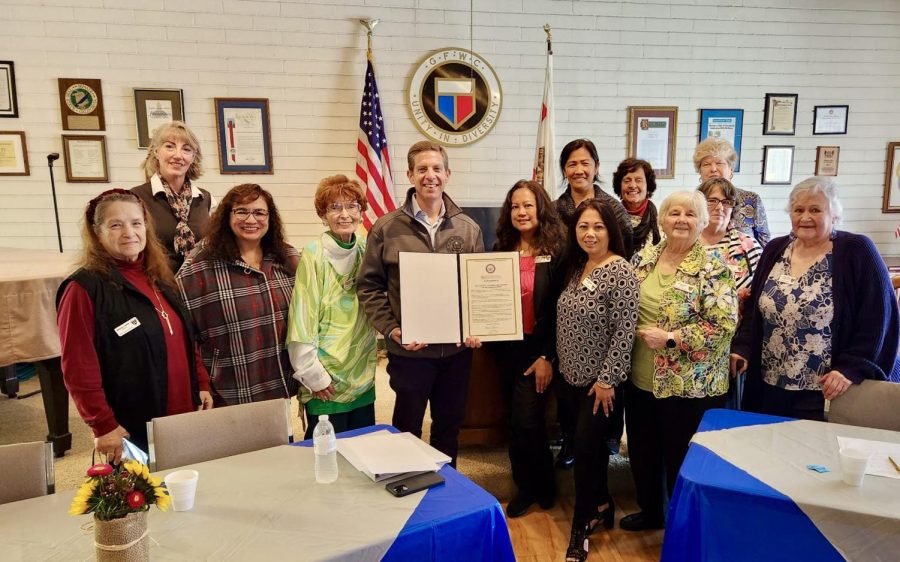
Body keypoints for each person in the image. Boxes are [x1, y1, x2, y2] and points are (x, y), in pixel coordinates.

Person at [57, 189, 213, 462]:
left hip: (183, 412)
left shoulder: (160, 277)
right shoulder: (83, 289)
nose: (128, 232)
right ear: (97, 232)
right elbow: (78, 368)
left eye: (136, 223)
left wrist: (201, 383)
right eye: (115, 225)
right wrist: (102, 424)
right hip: (131, 425)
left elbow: (188, 338)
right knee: (148, 498)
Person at [357, 141, 484, 466]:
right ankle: (407, 489)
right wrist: (392, 329)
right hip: (410, 352)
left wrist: (475, 326)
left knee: (448, 427)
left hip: (456, 353)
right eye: (423, 169)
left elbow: (478, 288)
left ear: (447, 174)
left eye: (437, 168)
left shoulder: (468, 229)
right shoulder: (386, 228)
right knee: (407, 429)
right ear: (410, 174)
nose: (431, 176)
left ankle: (448, 495)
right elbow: (369, 286)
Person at [731, 177, 900, 421]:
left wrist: (852, 368)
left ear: (834, 215)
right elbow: (755, 310)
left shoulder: (856, 250)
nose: (805, 217)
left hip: (828, 390)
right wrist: (742, 348)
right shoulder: (775, 250)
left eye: (815, 209)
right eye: (798, 210)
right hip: (770, 384)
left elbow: (879, 318)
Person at [622, 191, 737, 531]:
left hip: (689, 385)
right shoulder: (642, 260)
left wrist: (672, 338)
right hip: (640, 379)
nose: (681, 220)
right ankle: (651, 512)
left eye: (690, 214)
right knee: (643, 453)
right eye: (674, 213)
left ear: (703, 222)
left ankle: (681, 526)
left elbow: (722, 328)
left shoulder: (714, 269)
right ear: (662, 220)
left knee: (680, 458)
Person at [556, 200, 638, 562]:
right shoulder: (577, 266)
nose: (590, 233)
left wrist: (607, 380)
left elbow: (625, 332)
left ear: (611, 231)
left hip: (599, 386)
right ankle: (603, 504)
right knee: (580, 447)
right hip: (569, 379)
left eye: (598, 227)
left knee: (588, 452)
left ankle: (579, 529)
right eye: (583, 227)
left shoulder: (619, 270)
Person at [176, 184, 299, 407]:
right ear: (226, 215)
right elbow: (183, 331)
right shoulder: (200, 264)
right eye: (241, 211)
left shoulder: (287, 257)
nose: (251, 220)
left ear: (270, 218)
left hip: (278, 382)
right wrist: (201, 382)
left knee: (281, 442)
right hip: (229, 387)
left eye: (259, 212)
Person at [554, 138, 634, 468]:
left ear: (596, 167)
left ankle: (606, 439)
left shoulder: (611, 206)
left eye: (585, 162)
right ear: (564, 169)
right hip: (568, 289)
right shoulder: (556, 207)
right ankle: (571, 442)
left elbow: (624, 243)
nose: (579, 169)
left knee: (598, 417)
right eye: (572, 163)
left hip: (605, 295)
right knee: (571, 405)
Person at [492, 180, 567, 518]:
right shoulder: (500, 250)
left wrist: (547, 357)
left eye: (528, 206)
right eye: (515, 207)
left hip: (540, 352)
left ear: (540, 210)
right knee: (516, 421)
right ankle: (529, 485)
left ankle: (539, 486)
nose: (521, 212)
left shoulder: (559, 251)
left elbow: (560, 310)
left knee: (529, 422)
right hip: (507, 351)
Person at [287, 175, 377, 439]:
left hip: (361, 370)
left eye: (352, 206)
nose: (344, 214)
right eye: (334, 207)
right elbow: (302, 317)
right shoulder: (314, 254)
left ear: (361, 211)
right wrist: (313, 375)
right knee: (326, 452)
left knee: (362, 447)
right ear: (322, 214)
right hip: (325, 373)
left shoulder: (365, 248)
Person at [132, 121, 215, 271]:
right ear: (156, 152)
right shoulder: (136, 198)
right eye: (169, 146)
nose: (178, 155)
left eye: (186, 149)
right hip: (155, 285)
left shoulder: (205, 199)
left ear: (193, 156)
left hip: (197, 286)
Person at [693, 137, 769, 246]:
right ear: (699, 171)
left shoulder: (750, 199)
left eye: (719, 163)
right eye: (706, 164)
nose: (713, 169)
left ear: (731, 169)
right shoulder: (693, 201)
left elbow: (764, 239)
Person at [697, 177, 762, 294]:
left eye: (726, 202)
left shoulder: (749, 245)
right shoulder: (685, 243)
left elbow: (761, 292)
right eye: (712, 201)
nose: (719, 207)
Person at [612, 158, 660, 254]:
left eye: (638, 180)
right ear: (620, 186)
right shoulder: (610, 218)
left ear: (648, 186)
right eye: (627, 181)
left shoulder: (661, 221)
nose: (633, 185)